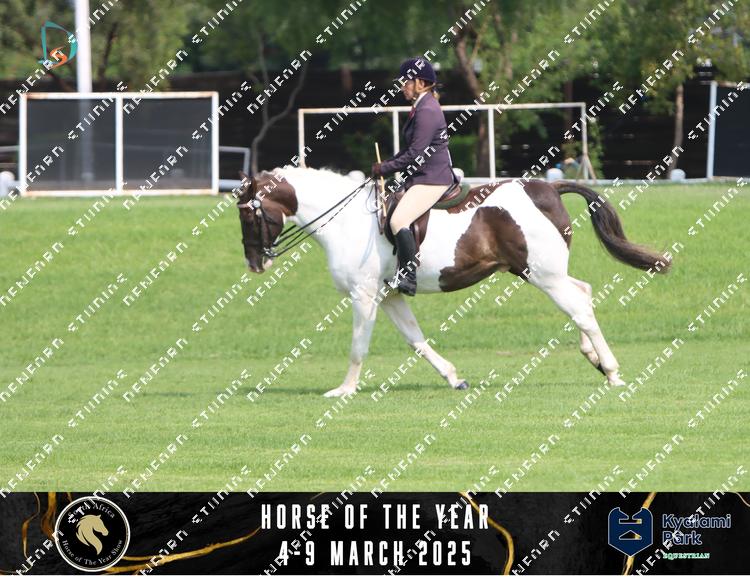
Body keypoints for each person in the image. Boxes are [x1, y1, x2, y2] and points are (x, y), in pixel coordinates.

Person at [371, 57, 456, 296]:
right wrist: (385, 165)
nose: (402, 86)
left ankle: (408, 277)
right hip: (423, 175)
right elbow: (409, 149)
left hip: (433, 178)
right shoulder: (421, 106)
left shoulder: (427, 109)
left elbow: (415, 154)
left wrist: (385, 169)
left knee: (398, 221)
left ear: (420, 83)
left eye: (406, 82)